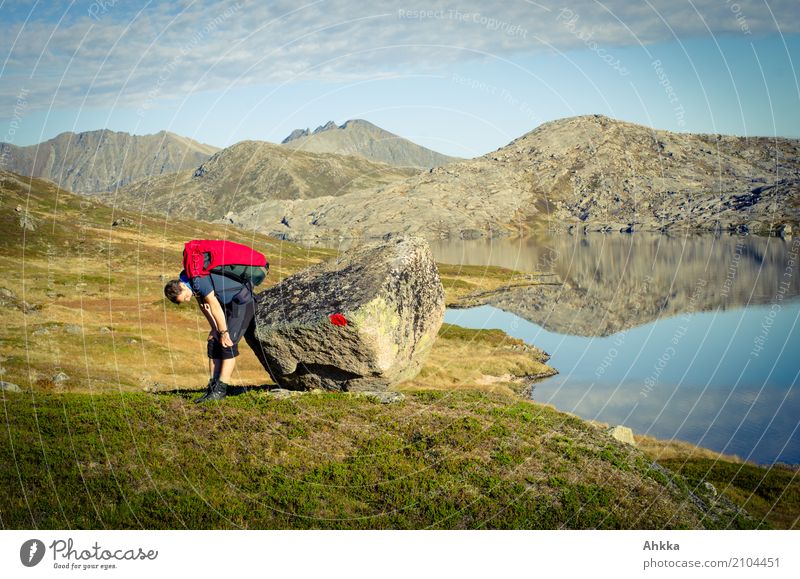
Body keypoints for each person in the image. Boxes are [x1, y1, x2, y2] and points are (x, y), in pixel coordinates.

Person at [164, 266, 257, 403]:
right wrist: (215, 329)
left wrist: (224, 332)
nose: (187, 300)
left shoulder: (197, 281)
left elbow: (213, 305)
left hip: (242, 302)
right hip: (227, 304)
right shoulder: (189, 281)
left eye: (185, 297)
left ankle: (220, 390)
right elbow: (204, 306)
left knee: (227, 344)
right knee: (213, 342)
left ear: (182, 286)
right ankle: (213, 386)